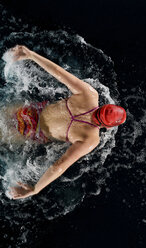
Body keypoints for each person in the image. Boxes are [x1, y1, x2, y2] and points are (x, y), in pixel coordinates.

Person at [9, 45, 126, 199]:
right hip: (32, 133)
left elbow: (58, 73)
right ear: (106, 126)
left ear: (104, 106)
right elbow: (59, 165)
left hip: (30, 111)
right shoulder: (91, 139)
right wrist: (36, 189)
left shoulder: (90, 95)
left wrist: (31, 55)